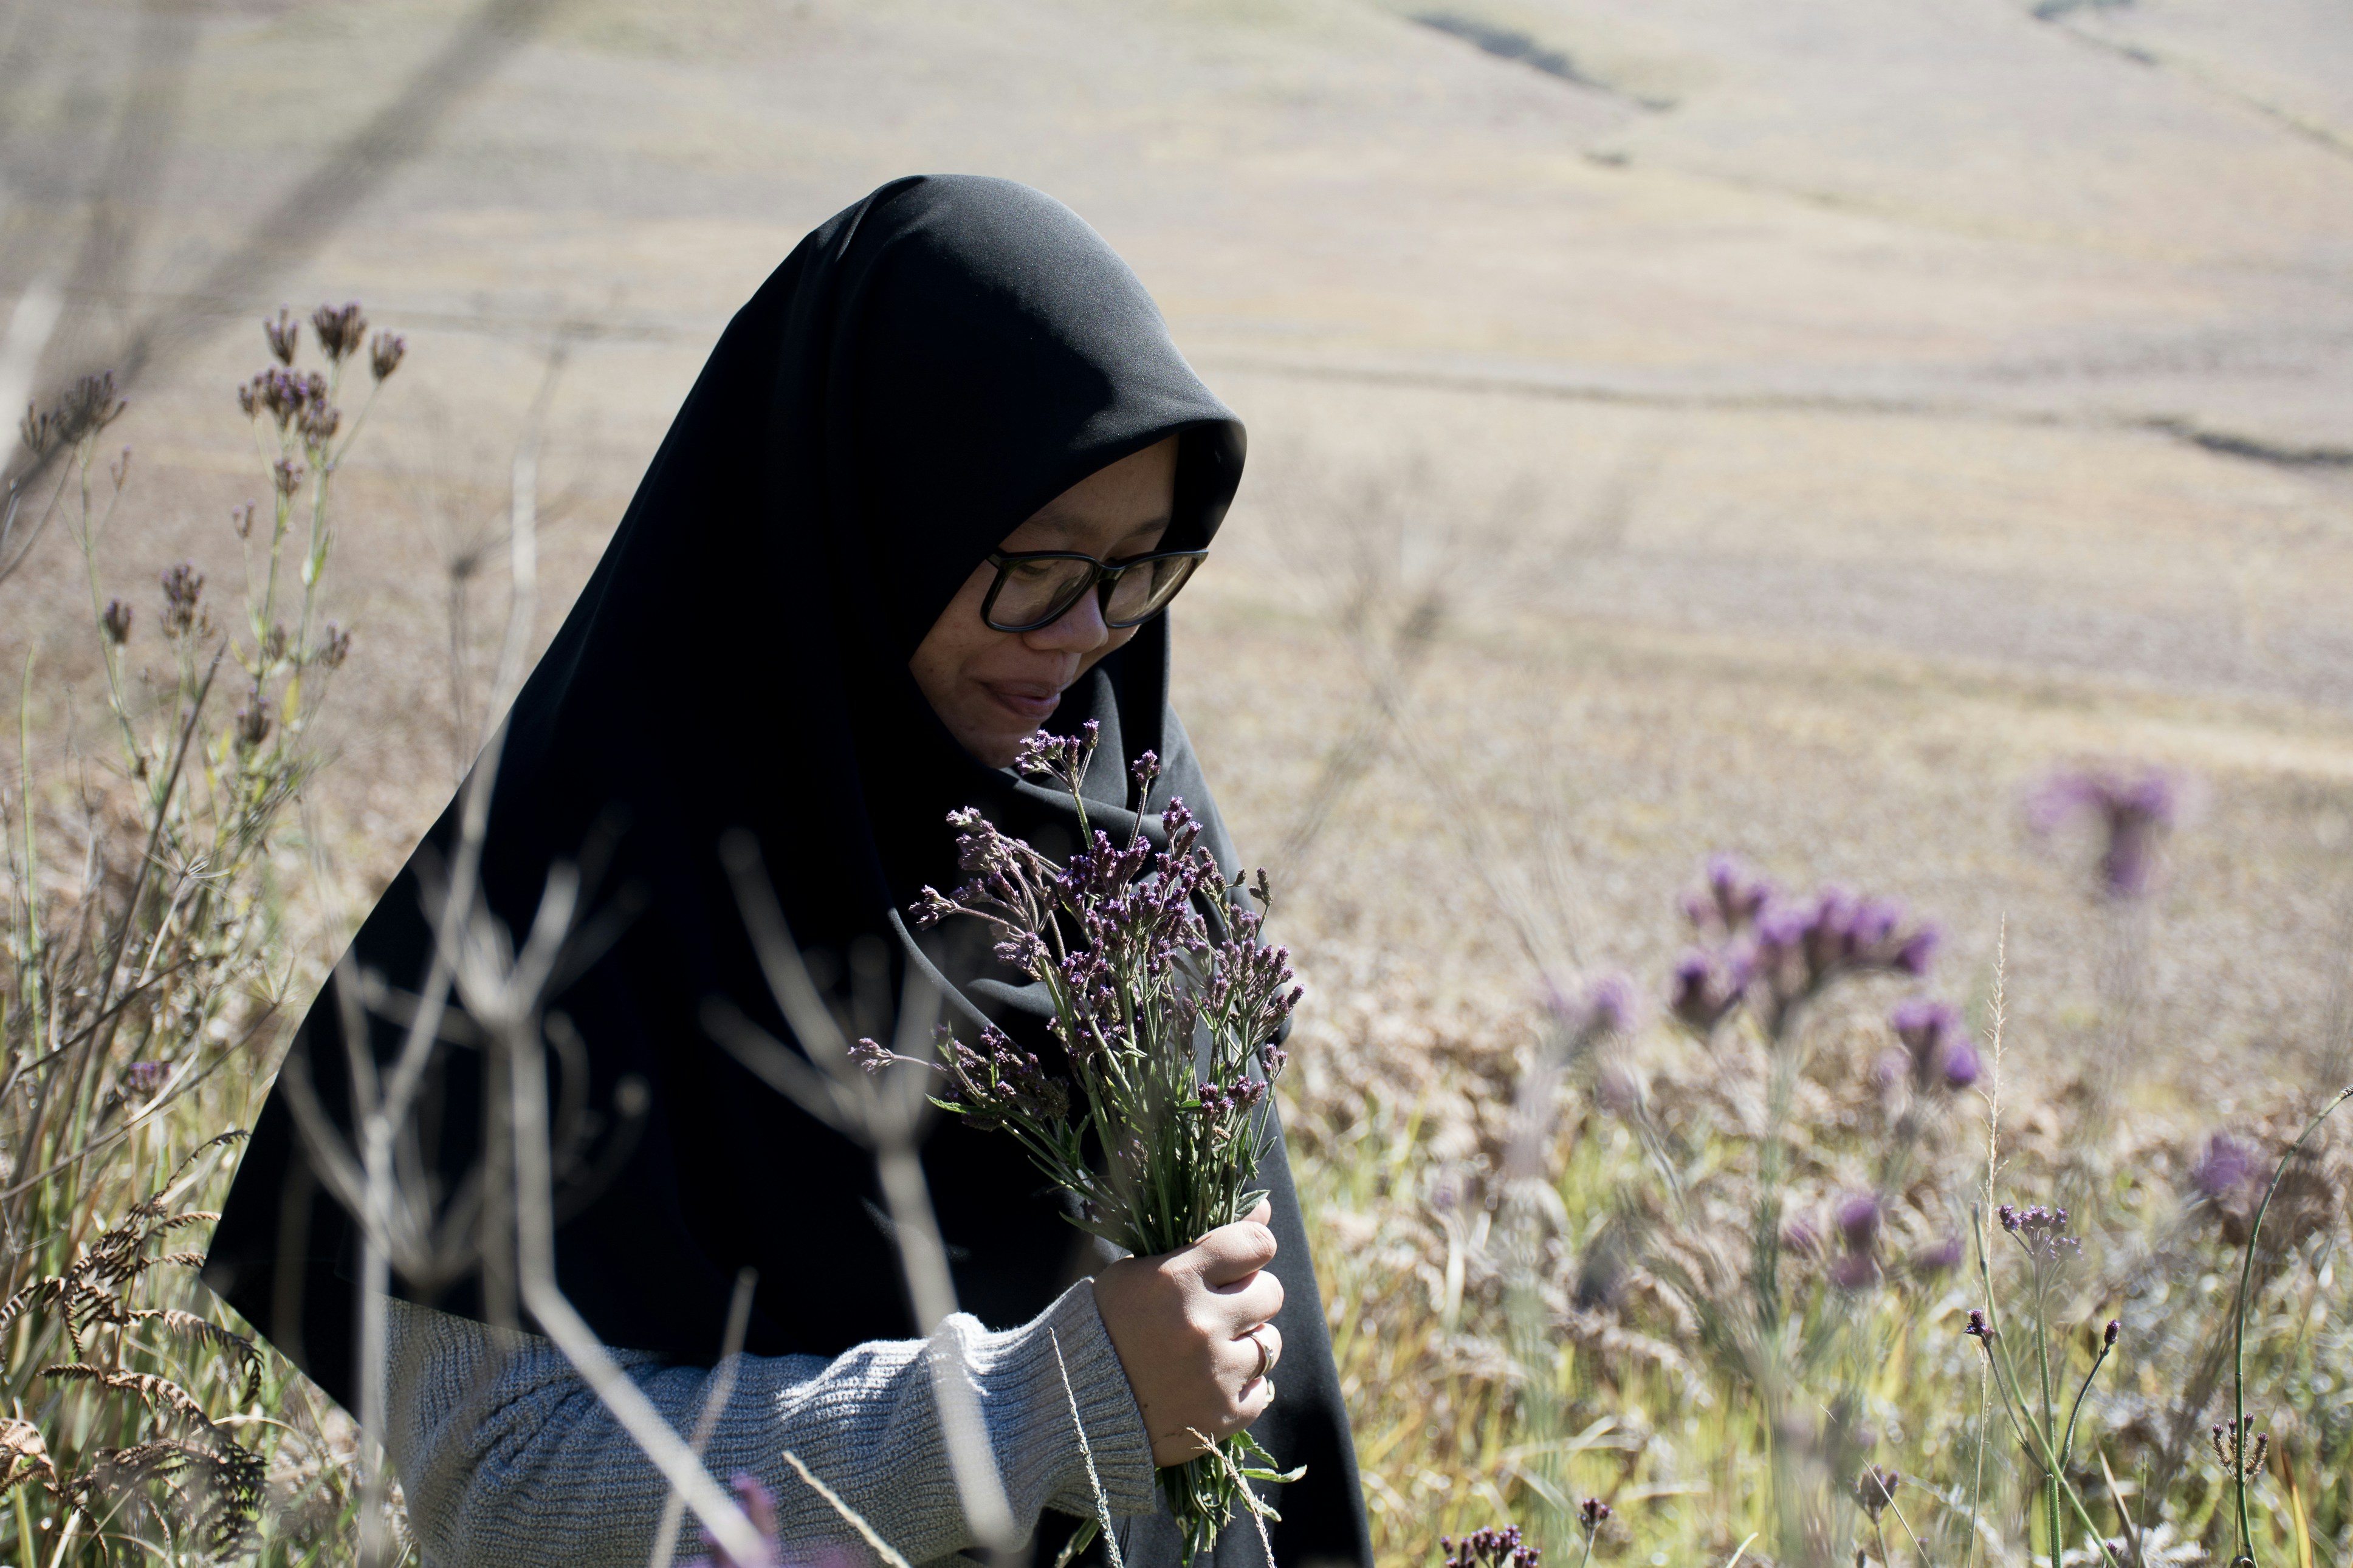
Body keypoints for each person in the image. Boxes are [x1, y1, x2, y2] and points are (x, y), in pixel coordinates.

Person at [204, 175, 1372, 1567]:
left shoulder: (1122, 815)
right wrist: (1037, 1405)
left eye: (1140, 568)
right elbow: (502, 1484)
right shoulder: (572, 884)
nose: (1083, 635)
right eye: (1035, 568)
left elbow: (1254, 1382)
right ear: (868, 516)